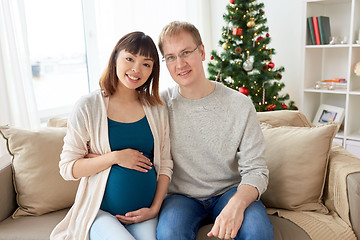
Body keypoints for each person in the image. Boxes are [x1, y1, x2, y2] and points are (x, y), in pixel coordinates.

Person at [156, 21, 274, 240]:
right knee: (169, 233)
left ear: (201, 51)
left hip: (229, 191)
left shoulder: (239, 104)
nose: (180, 64)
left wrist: (237, 203)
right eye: (171, 57)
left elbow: (257, 170)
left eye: (186, 52)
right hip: (182, 197)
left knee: (259, 231)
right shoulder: (160, 105)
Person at [50, 31, 173, 240]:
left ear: (153, 71)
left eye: (146, 64)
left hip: (144, 213)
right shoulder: (88, 106)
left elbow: (166, 164)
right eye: (130, 59)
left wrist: (154, 208)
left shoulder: (156, 109)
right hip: (100, 212)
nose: (136, 69)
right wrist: (115, 157)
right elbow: (67, 168)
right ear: (115, 58)